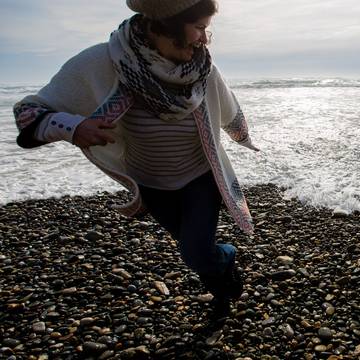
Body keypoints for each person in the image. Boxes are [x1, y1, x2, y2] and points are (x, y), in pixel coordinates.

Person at [13, 0, 259, 319]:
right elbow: (29, 112)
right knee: (194, 248)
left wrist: (243, 137)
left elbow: (229, 111)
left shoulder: (202, 67)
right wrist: (74, 127)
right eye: (199, 28)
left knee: (195, 251)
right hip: (152, 185)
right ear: (165, 25)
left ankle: (225, 261)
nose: (204, 39)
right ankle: (222, 291)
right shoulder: (104, 61)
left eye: (206, 29)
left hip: (202, 178)